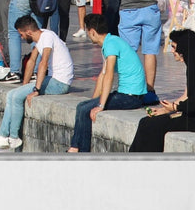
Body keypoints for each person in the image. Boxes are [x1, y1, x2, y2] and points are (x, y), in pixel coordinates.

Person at [0, 14, 75, 150]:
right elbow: (31, 61)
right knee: (13, 93)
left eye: (21, 34)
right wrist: (24, 86)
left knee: (16, 96)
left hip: (60, 84)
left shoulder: (47, 38)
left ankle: (12, 137)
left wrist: (35, 90)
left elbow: (43, 64)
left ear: (28, 32)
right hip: (54, 79)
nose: (21, 37)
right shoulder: (41, 37)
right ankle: (3, 136)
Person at [66, 14, 155, 153]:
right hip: (126, 94)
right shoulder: (110, 42)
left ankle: (80, 151)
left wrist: (100, 105)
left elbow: (109, 75)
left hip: (131, 97)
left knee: (84, 110)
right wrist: (94, 100)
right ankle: (75, 147)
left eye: (88, 32)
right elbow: (102, 74)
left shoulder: (111, 45)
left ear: (92, 32)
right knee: (83, 106)